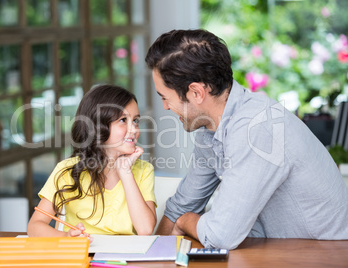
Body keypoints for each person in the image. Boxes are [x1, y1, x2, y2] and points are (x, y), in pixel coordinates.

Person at [145, 29, 348, 249]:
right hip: (278, 250)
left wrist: (185, 222)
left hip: (327, 253)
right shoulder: (211, 129)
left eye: (165, 97)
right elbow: (182, 205)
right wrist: (150, 255)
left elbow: (219, 235)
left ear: (196, 93)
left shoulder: (257, 126)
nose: (165, 107)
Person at [27, 85, 157, 237]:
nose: (134, 129)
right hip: (82, 255)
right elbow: (35, 226)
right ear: (97, 126)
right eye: (123, 120)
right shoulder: (67, 170)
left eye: (135, 121)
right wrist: (66, 237)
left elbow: (146, 230)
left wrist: (125, 172)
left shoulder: (143, 170)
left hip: (124, 258)